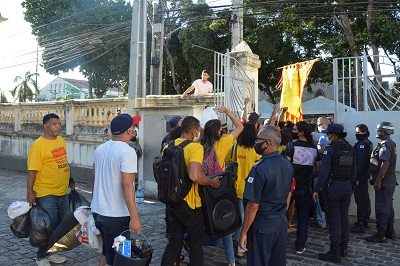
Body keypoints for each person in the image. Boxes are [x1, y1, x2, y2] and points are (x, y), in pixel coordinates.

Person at [161, 116, 221, 266]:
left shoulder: (168, 146)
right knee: (195, 245)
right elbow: (195, 175)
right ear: (194, 132)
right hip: (191, 204)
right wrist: (210, 181)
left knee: (174, 243)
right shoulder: (195, 148)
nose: (200, 132)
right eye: (199, 130)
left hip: (172, 200)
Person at [91, 114, 142, 266]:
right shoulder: (127, 151)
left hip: (99, 212)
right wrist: (134, 217)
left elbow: (93, 178)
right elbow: (127, 185)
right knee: (118, 258)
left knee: (107, 252)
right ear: (128, 131)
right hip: (116, 216)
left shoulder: (100, 148)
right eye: (133, 126)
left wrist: (95, 204)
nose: (135, 129)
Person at [239, 126, 294, 266]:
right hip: (280, 221)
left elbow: (252, 205)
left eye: (258, 139)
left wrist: (243, 232)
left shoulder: (259, 168)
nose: (255, 142)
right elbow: (288, 192)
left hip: (263, 224)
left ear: (267, 143)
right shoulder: (287, 164)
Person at [201, 106, 244, 266]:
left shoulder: (198, 145)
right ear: (219, 132)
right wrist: (227, 112)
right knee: (224, 223)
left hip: (202, 186)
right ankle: (231, 261)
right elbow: (240, 127)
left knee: (201, 221)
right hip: (218, 185)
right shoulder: (223, 143)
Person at [27, 113, 70, 266]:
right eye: (54, 124)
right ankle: (41, 257)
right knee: (46, 227)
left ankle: (51, 254)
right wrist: (30, 193)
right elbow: (32, 171)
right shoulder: (38, 146)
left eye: (59, 123)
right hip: (46, 193)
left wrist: (70, 180)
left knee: (59, 227)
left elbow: (63, 163)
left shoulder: (61, 141)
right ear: (45, 126)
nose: (58, 126)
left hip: (63, 192)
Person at [312, 123, 356, 263]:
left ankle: (335, 252)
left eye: (328, 134)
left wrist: (316, 189)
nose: (327, 136)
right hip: (346, 187)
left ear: (334, 135)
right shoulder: (349, 148)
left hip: (333, 188)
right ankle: (343, 249)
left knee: (334, 221)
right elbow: (354, 170)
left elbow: (323, 173)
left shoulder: (329, 150)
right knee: (344, 219)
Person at [225, 122, 261, 258]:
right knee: (251, 217)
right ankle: (246, 243)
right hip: (253, 188)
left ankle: (241, 247)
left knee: (240, 218)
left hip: (236, 188)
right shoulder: (256, 150)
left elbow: (225, 161)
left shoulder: (234, 148)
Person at [283, 121, 319, 255]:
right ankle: (300, 245)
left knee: (281, 213)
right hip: (305, 186)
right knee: (303, 218)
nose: (293, 130)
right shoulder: (313, 148)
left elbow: (286, 166)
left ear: (301, 132)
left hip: (290, 186)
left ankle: (278, 241)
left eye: (294, 129)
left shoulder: (291, 146)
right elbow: (318, 168)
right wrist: (308, 176)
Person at [366, 122, 397, 243]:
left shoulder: (385, 145)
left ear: (385, 132)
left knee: (382, 207)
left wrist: (378, 181)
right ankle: (390, 232)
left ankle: (381, 235)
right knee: (388, 206)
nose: (377, 132)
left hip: (384, 181)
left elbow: (385, 163)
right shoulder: (391, 143)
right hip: (389, 180)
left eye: (379, 130)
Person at [351, 124, 372, 234]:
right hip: (365, 174)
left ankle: (361, 223)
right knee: (365, 198)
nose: (356, 134)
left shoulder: (362, 145)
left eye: (358, 132)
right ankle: (365, 221)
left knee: (360, 199)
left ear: (364, 132)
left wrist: (355, 176)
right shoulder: (367, 143)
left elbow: (360, 163)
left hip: (361, 175)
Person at [311, 116, 331, 230]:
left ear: (326, 124)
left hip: (322, 169)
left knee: (318, 196)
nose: (319, 125)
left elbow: (322, 150)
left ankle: (321, 220)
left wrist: (315, 151)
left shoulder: (324, 137)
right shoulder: (329, 136)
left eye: (320, 123)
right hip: (329, 171)